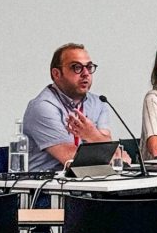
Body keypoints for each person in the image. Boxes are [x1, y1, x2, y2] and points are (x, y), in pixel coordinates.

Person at [22, 43, 114, 174]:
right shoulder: (42, 107)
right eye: (77, 67)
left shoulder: (99, 102)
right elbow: (72, 159)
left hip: (88, 184)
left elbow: (112, 151)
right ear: (56, 74)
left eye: (89, 67)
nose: (86, 73)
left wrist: (92, 136)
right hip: (48, 189)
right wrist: (97, 140)